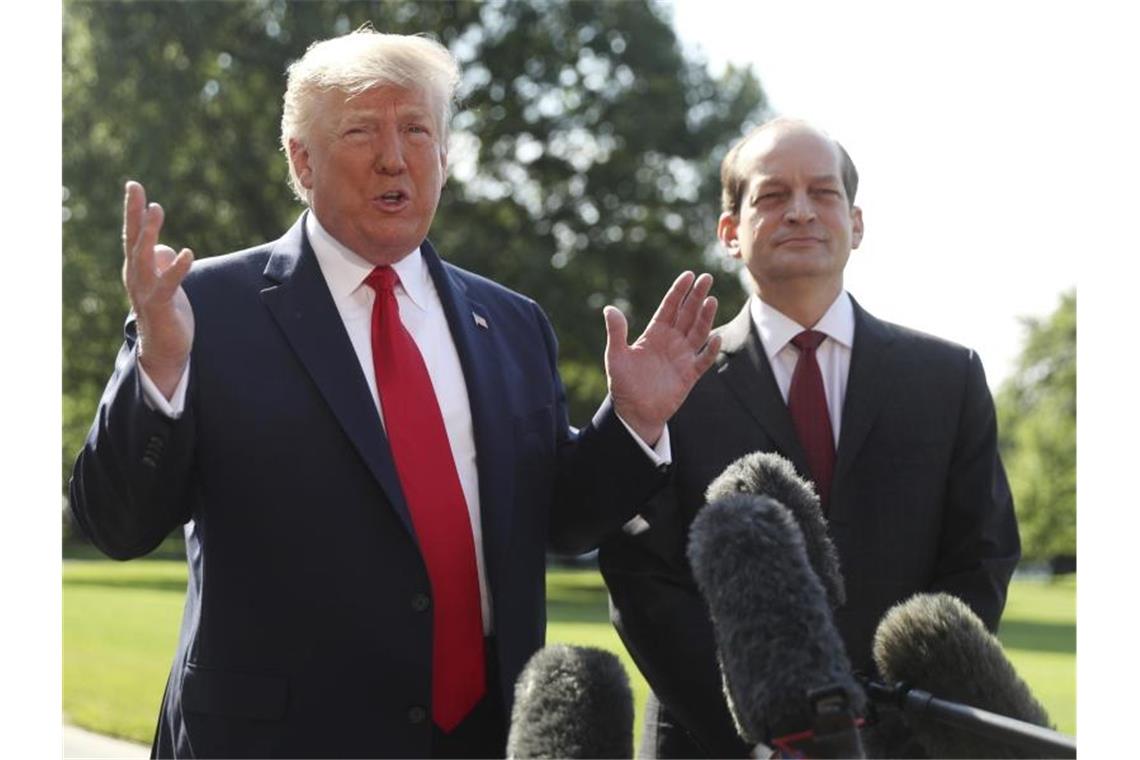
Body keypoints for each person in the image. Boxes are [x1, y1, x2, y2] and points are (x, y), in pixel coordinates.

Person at [69, 29, 721, 759]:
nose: (394, 156)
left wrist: (630, 424)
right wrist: (158, 366)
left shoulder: (511, 323)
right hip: (277, 741)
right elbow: (119, 524)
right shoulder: (202, 310)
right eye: (361, 130)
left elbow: (558, 520)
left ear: (444, 156)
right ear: (301, 160)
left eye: (417, 130)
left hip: (479, 737)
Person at [598, 118, 1021, 757]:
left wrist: (894, 725)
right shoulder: (667, 382)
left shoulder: (948, 377)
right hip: (716, 743)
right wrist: (774, 737)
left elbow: (980, 561)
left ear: (855, 223)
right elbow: (643, 580)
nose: (800, 212)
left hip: (902, 745)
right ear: (730, 232)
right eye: (772, 196)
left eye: (822, 193)